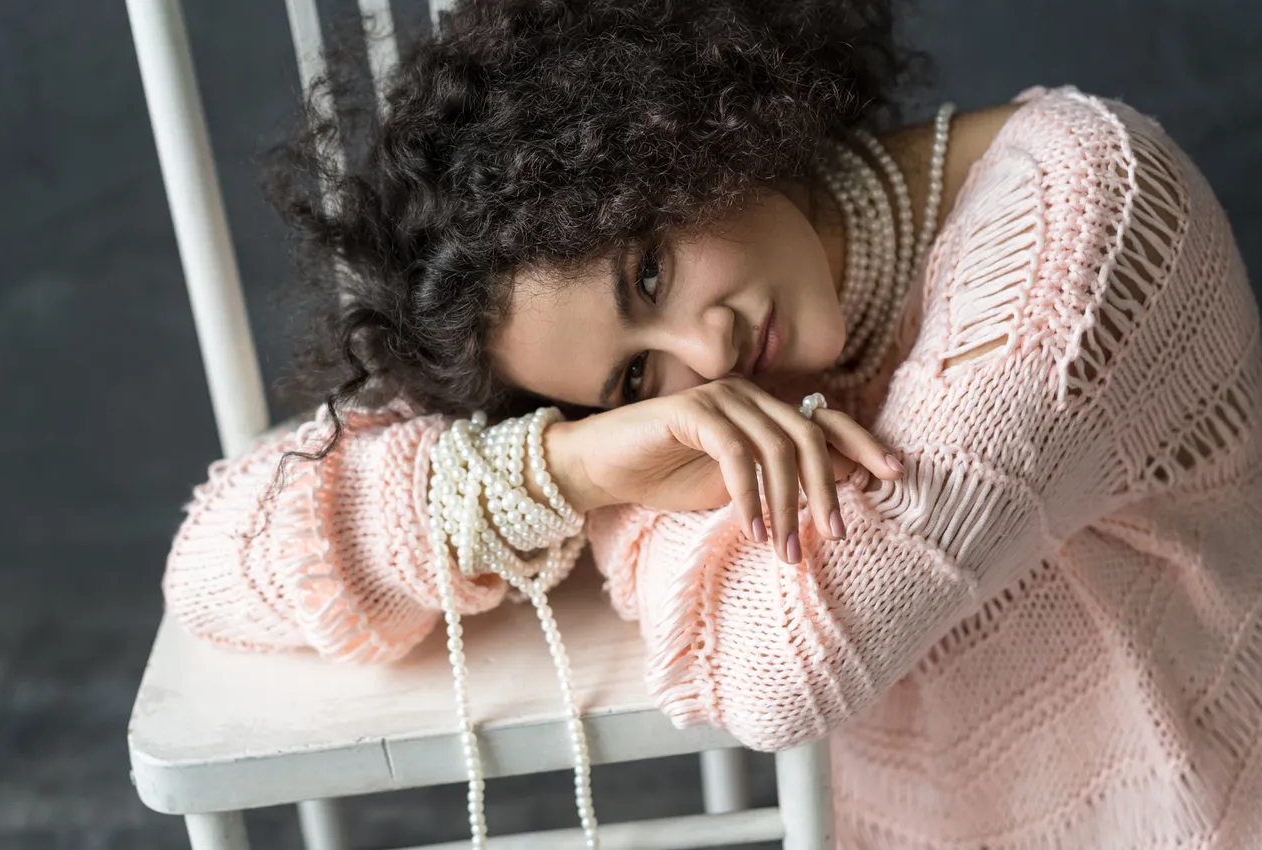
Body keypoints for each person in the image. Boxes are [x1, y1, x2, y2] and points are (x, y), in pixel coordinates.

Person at [162, 0, 1262, 846]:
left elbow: (781, 667)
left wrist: (633, 490)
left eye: (650, 271)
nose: (706, 357)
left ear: (679, 132)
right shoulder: (629, 359)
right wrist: (570, 463)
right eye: (634, 381)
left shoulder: (1090, 217)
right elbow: (214, 558)